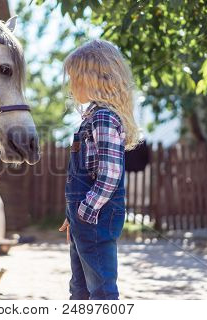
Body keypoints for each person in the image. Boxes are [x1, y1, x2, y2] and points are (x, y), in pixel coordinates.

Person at [58, 39, 140, 300]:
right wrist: (73, 216)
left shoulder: (103, 117)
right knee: (79, 288)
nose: (70, 85)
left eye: (74, 77)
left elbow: (110, 174)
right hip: (84, 218)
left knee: (102, 291)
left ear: (92, 78)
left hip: (95, 216)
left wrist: (85, 211)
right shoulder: (91, 118)